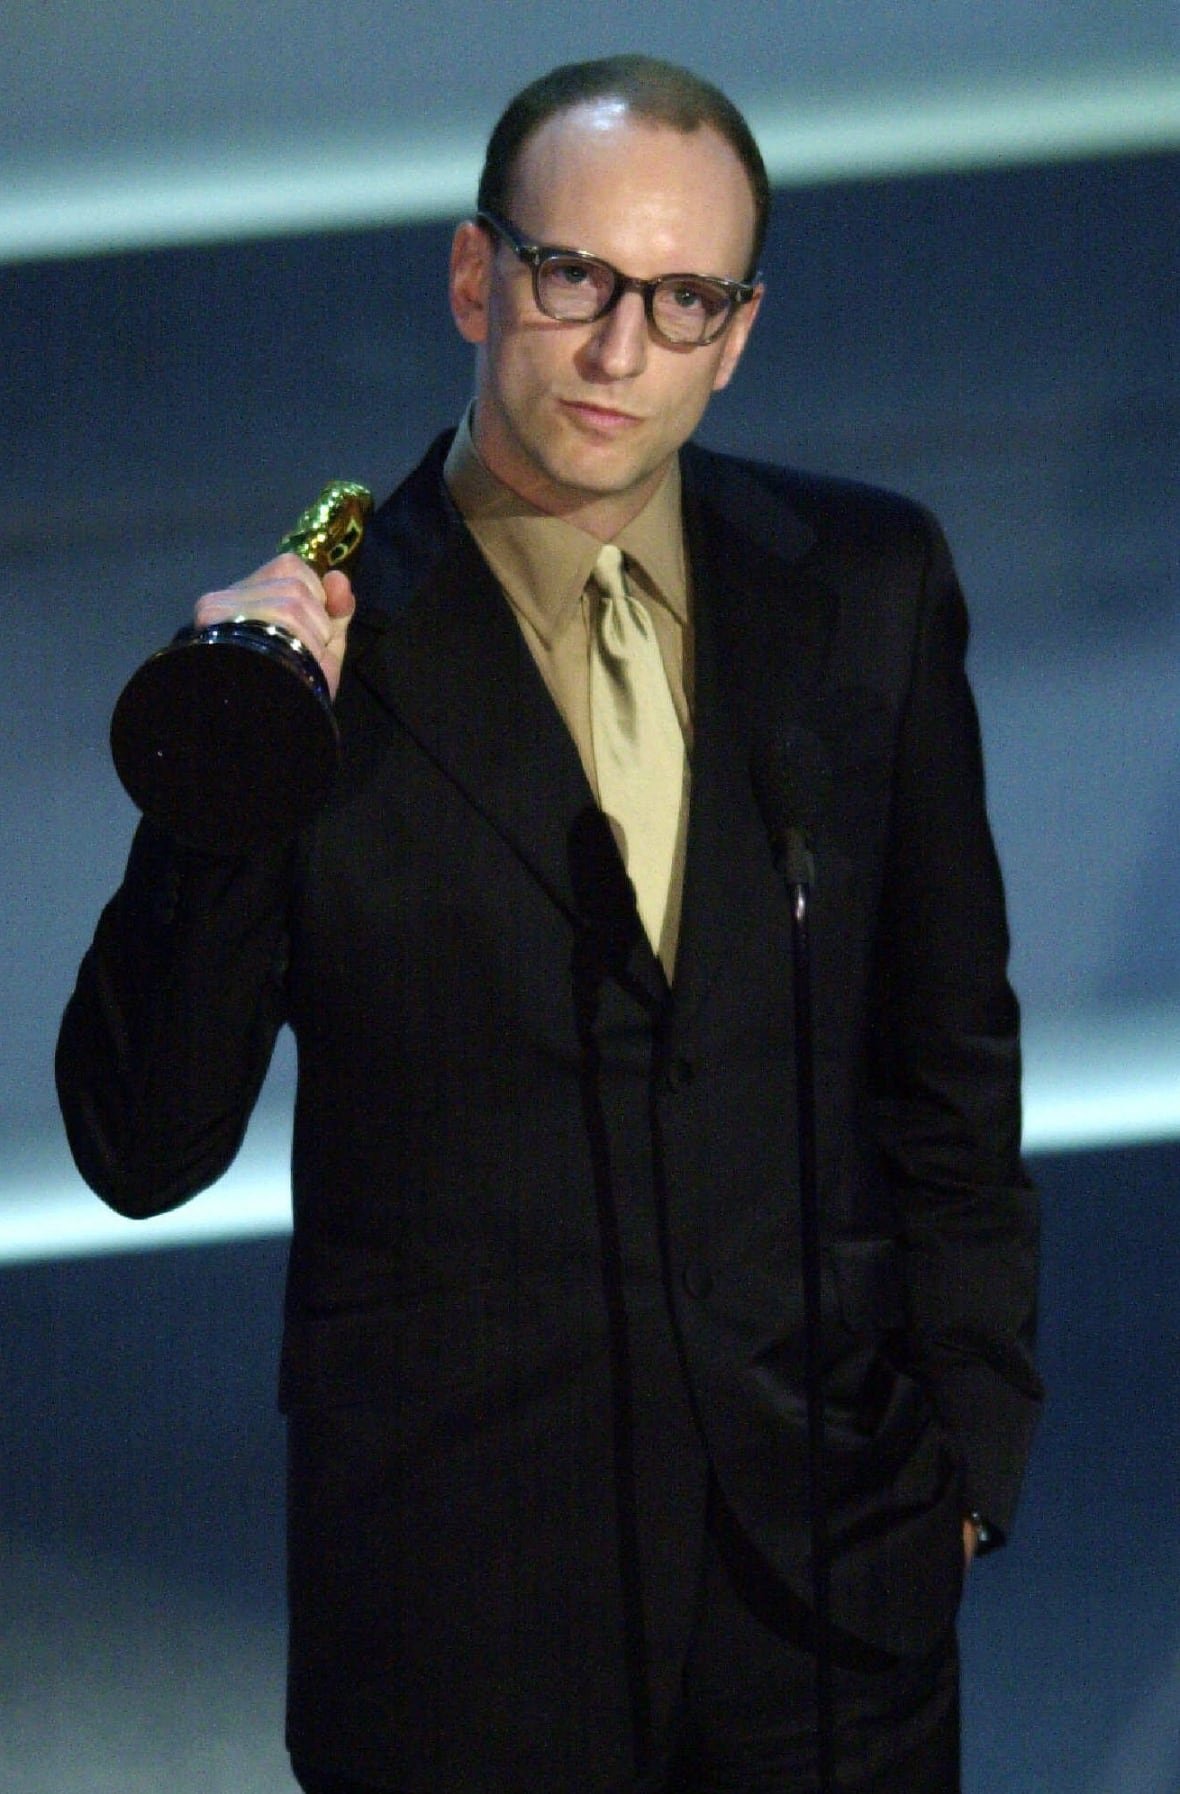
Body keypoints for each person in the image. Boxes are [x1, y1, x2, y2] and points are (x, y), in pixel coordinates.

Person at [56, 54, 1042, 1794]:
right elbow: (143, 1148)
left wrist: (966, 1456)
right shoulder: (320, 640)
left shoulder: (867, 588)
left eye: (680, 302)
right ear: (473, 277)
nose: (615, 353)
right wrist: (221, 789)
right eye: (572, 279)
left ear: (736, 333)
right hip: (456, 1616)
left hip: (831, 1592)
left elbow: (947, 1060)